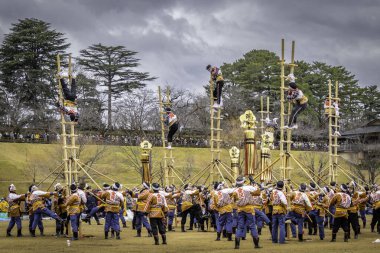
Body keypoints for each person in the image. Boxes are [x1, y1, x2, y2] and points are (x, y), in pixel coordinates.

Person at [232, 176, 262, 249]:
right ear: (243, 182)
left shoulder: (235, 190)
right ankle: (256, 244)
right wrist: (253, 182)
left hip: (240, 209)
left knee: (240, 226)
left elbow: (234, 200)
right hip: (249, 209)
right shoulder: (249, 188)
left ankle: (237, 245)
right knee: (252, 226)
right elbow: (258, 190)